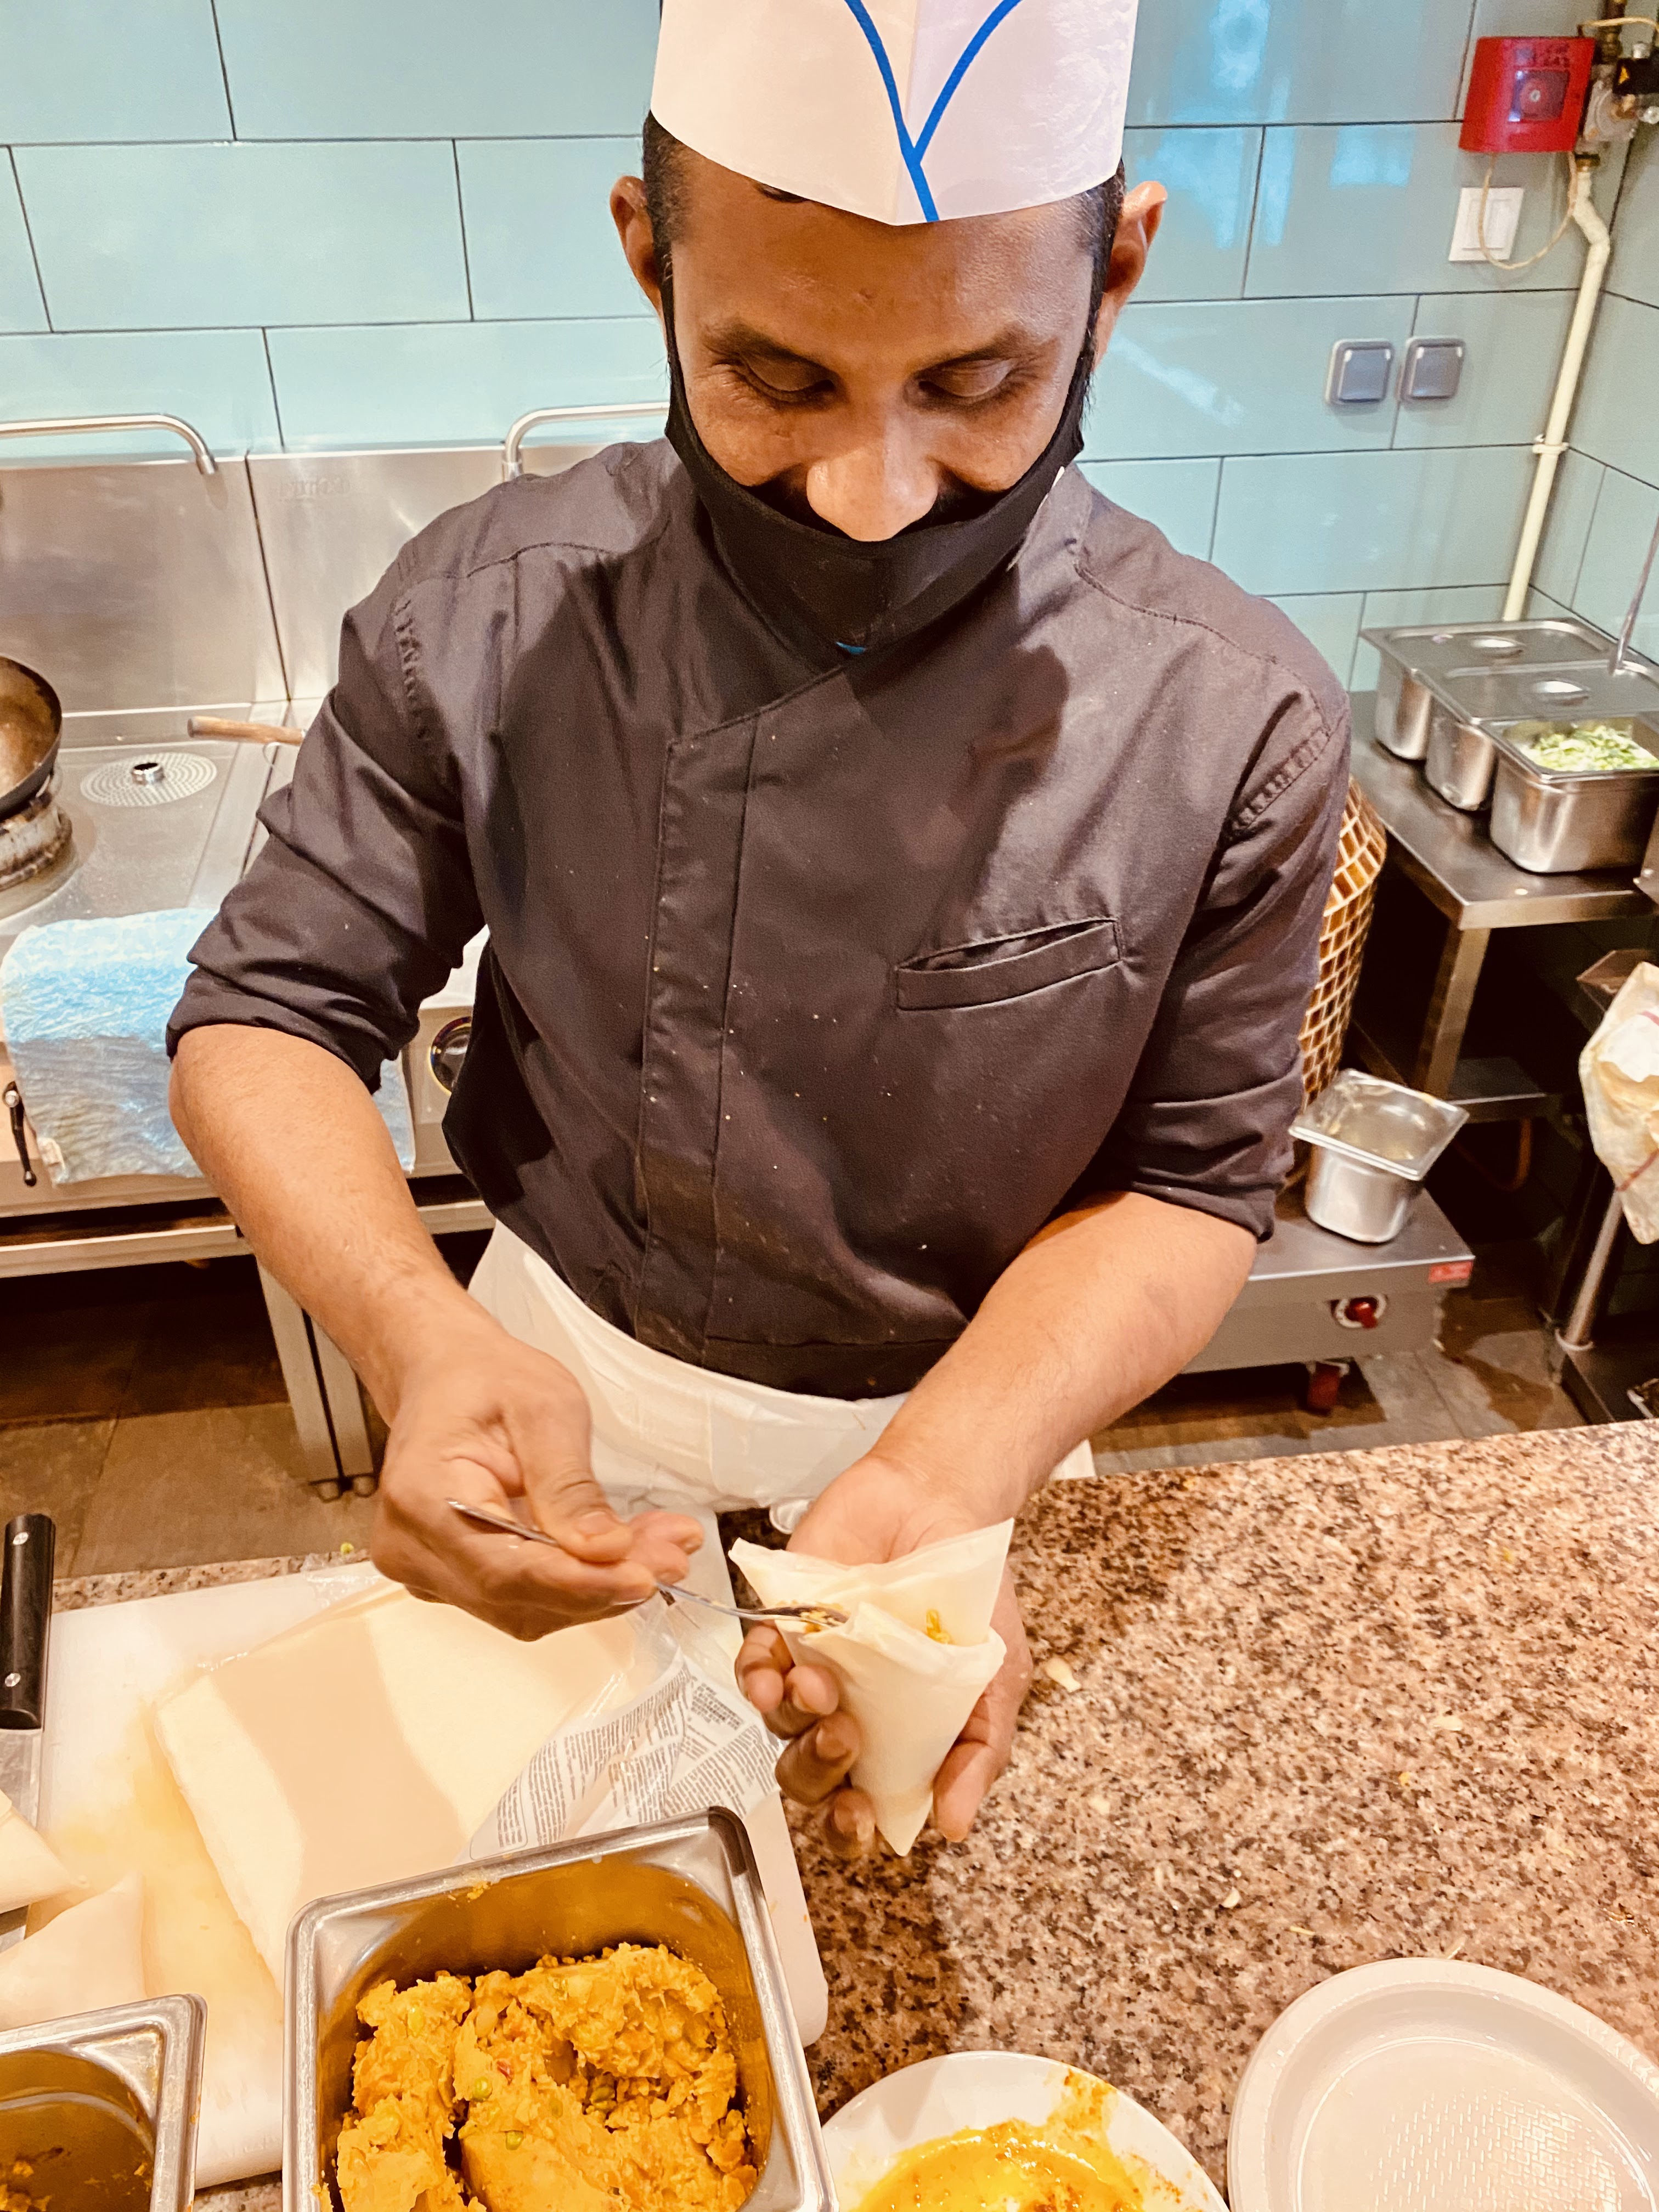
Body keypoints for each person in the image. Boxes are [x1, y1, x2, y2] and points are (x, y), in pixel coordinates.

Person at [167, 0, 1348, 1859]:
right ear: (650, 259)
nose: (874, 496)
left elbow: (1195, 1185)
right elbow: (264, 1013)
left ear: (1115, 276)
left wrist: (951, 1474)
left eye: (978, 382)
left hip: (971, 1419)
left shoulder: (1234, 719)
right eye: (776, 379)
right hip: (562, 1382)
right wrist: (411, 1335)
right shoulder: (484, 614)